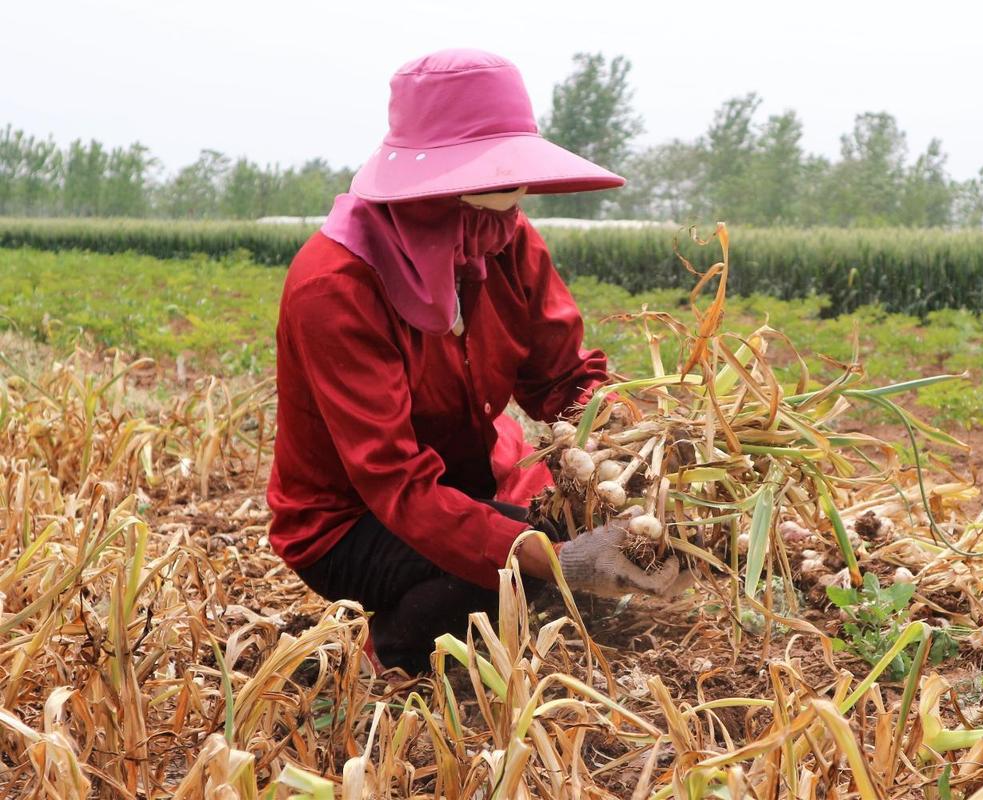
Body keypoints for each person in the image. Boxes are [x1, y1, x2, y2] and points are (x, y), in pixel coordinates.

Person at [266, 49, 679, 675]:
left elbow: (564, 379)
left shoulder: (504, 240)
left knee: (577, 528)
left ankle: (495, 598)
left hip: (469, 483)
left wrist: (637, 448)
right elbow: (395, 483)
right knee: (510, 573)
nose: (514, 203)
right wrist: (551, 557)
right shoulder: (336, 286)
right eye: (494, 179)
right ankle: (393, 655)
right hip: (352, 520)